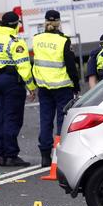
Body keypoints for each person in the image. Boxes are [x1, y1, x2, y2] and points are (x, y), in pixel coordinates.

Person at [0, 11, 36, 167]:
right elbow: (24, 66)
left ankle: (3, 155)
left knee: (0, 117)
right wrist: (31, 87)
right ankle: (11, 155)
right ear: (15, 25)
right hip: (12, 81)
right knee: (12, 118)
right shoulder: (15, 42)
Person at [32, 10, 80, 167]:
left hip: (44, 87)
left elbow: (36, 62)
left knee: (45, 120)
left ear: (45, 22)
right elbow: (71, 66)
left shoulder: (37, 39)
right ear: (59, 23)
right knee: (62, 120)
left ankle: (45, 156)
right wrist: (76, 85)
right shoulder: (63, 41)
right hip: (62, 87)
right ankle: (59, 155)